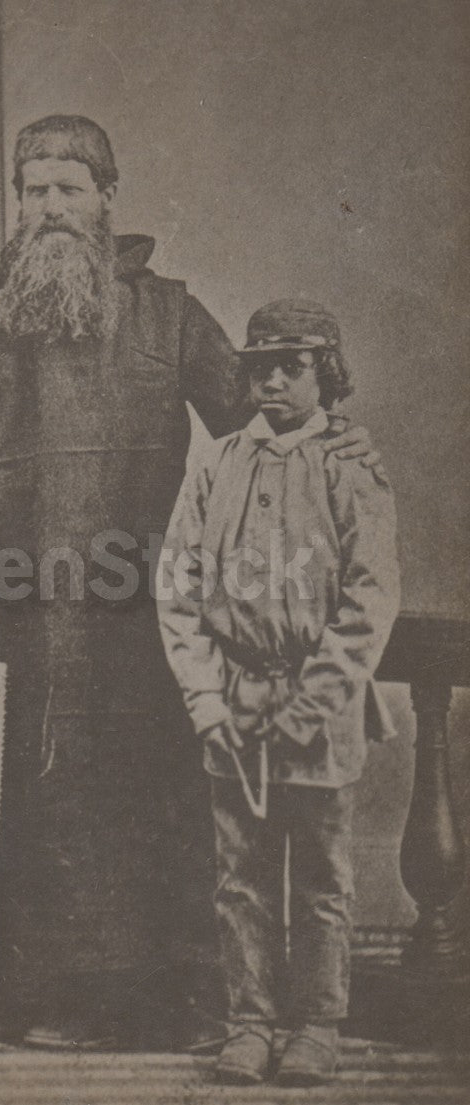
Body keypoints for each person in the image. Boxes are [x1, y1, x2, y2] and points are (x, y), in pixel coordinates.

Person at [0, 116, 380, 1049]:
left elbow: (257, 421)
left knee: (155, 803)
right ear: (18, 202)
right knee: (45, 800)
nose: (50, 207)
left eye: (69, 188)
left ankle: (179, 1005)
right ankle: (49, 1003)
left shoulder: (169, 311)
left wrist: (338, 442)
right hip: (28, 607)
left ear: (105, 198)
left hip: (149, 613)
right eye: (34, 189)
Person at [158, 300, 400, 1084]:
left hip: (319, 709)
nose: (271, 381)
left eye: (290, 366)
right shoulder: (219, 462)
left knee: (323, 878)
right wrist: (204, 699)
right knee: (242, 877)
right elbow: (179, 587)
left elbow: (369, 599)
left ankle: (318, 1023)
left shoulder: (351, 469)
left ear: (324, 374)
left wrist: (315, 701)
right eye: (259, 366)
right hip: (236, 703)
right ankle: (251, 1021)